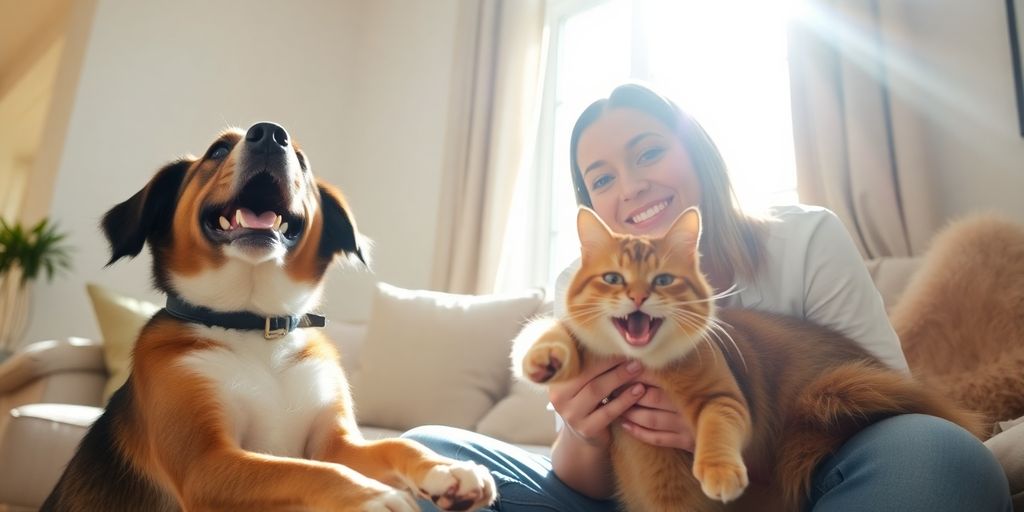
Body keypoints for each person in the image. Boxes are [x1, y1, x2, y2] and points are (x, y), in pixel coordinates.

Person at [403, 83, 1012, 511]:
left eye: (648, 152)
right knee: (426, 453)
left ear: (697, 151)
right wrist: (583, 432)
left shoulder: (805, 236)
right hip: (636, 496)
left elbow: (889, 415)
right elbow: (583, 482)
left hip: (799, 483)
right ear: (591, 206)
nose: (632, 184)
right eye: (604, 178)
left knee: (939, 457)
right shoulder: (584, 285)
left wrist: (727, 440)